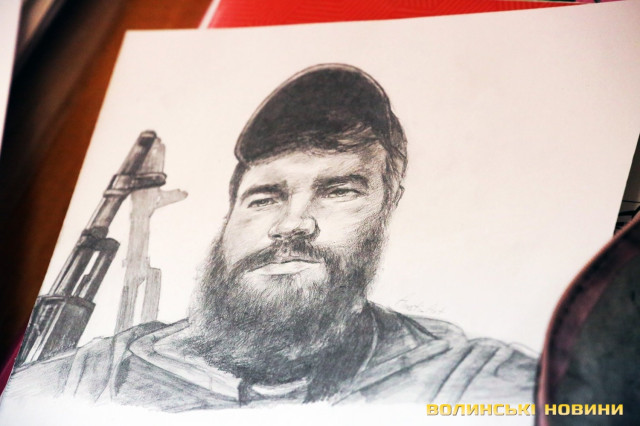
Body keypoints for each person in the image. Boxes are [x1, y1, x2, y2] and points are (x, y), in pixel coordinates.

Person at [6, 64, 536, 410]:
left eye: (338, 191)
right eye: (264, 198)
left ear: (386, 207)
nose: (292, 223)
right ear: (230, 214)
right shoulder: (75, 385)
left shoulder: (471, 382)